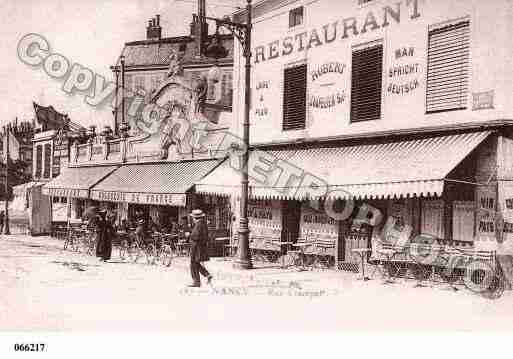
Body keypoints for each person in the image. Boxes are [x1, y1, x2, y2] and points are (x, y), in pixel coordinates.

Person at [188, 209, 212, 287]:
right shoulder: (203, 224)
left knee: (193, 264)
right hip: (200, 247)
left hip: (196, 247)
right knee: (196, 263)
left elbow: (196, 236)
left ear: (195, 218)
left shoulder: (199, 225)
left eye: (193, 218)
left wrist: (189, 235)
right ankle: (207, 275)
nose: (193, 219)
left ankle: (196, 281)